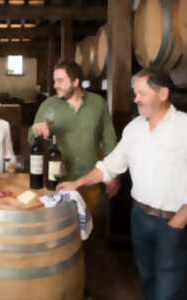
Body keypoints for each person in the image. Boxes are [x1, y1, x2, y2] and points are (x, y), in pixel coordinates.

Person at [58, 68, 187, 300]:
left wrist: (182, 217)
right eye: (134, 93)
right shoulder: (134, 128)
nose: (135, 99)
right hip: (139, 218)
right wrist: (78, 182)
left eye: (141, 93)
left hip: (173, 221)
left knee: (170, 288)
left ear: (163, 93)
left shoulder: (184, 127)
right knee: (147, 279)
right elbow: (110, 165)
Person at [29, 59, 119, 213]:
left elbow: (109, 140)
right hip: (59, 183)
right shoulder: (48, 105)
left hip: (92, 181)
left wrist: (114, 176)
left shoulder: (98, 104)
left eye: (60, 80)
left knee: (94, 231)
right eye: (54, 80)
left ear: (76, 82)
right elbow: (31, 140)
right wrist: (36, 131)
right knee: (62, 231)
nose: (55, 85)